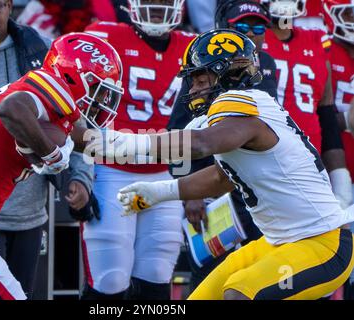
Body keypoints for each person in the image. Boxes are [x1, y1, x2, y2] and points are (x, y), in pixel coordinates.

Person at [110, 28, 354, 300]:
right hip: (277, 243)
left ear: (226, 74)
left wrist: (122, 143)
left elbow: (200, 144)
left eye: (200, 79)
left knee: (239, 293)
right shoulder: (238, 115)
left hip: (323, 244)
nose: (193, 89)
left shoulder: (242, 105)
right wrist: (159, 193)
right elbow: (221, 177)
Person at [0, 32, 124, 300]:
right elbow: (12, 109)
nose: (102, 101)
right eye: (98, 89)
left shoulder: (53, 112)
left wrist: (166, 146)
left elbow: (97, 143)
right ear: (74, 77)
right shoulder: (44, 86)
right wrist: (50, 153)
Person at [79, 0, 195, 300]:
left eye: (164, 1)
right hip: (112, 171)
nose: (157, 6)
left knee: (157, 275)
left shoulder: (192, 47)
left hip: (165, 175)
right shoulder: (104, 37)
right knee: (111, 278)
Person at [167, 0, 275, 292]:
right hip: (211, 190)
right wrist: (189, 192)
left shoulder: (265, 65)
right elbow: (177, 132)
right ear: (225, 31)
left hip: (252, 187)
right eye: (242, 28)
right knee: (209, 275)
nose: (251, 34)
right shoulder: (202, 65)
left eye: (258, 28)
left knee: (258, 277)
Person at [262, 0, 353, 211]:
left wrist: (339, 174)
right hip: (264, 161)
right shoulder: (252, 36)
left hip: (309, 165)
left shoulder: (316, 39)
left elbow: (326, 114)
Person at [323, 0, 354, 299]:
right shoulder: (324, 50)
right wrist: (345, 119)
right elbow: (309, 111)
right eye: (350, 13)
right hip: (335, 172)